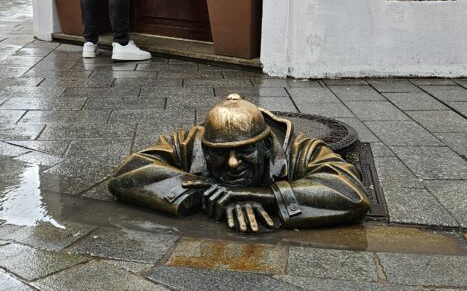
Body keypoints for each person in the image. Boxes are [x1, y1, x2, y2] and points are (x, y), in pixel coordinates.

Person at [108, 93, 370, 233]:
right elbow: (128, 173)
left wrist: (262, 195)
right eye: (220, 153)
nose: (232, 163)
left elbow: (351, 194)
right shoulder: (191, 142)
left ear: (266, 146)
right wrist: (206, 189)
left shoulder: (302, 149)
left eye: (244, 151)